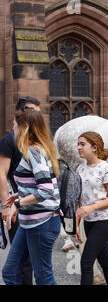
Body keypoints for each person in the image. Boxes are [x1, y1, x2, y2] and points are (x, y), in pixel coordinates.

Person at [2, 109, 61, 285]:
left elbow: (45, 190)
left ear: (24, 127)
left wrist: (19, 203)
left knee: (43, 277)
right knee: (10, 273)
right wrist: (17, 197)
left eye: (15, 124)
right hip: (30, 221)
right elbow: (33, 183)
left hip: (42, 222)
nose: (13, 128)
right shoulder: (31, 150)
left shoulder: (34, 152)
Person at [0, 97, 40, 285]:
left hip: (36, 206)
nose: (36, 115)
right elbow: (1, 173)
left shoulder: (36, 140)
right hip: (18, 206)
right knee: (23, 261)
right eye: (32, 111)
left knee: (33, 261)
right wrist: (6, 206)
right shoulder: (9, 139)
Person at [75, 131, 108, 285]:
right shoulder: (80, 169)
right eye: (78, 144)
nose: (78, 147)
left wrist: (92, 207)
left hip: (105, 221)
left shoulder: (106, 168)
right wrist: (76, 225)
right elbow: (79, 200)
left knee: (86, 262)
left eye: (82, 144)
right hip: (89, 222)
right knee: (106, 263)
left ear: (94, 147)